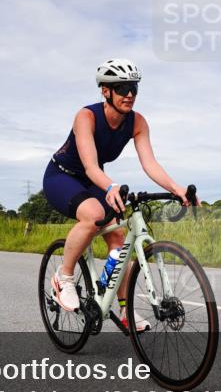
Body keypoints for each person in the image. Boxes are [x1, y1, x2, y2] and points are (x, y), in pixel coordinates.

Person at [43, 58, 196, 332]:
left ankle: (126, 310)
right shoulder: (86, 117)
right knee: (94, 215)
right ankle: (63, 277)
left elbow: (150, 163)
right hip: (62, 176)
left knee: (118, 238)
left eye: (133, 88)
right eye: (122, 88)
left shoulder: (138, 122)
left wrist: (176, 188)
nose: (129, 95)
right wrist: (111, 186)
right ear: (106, 91)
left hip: (94, 179)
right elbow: (90, 166)